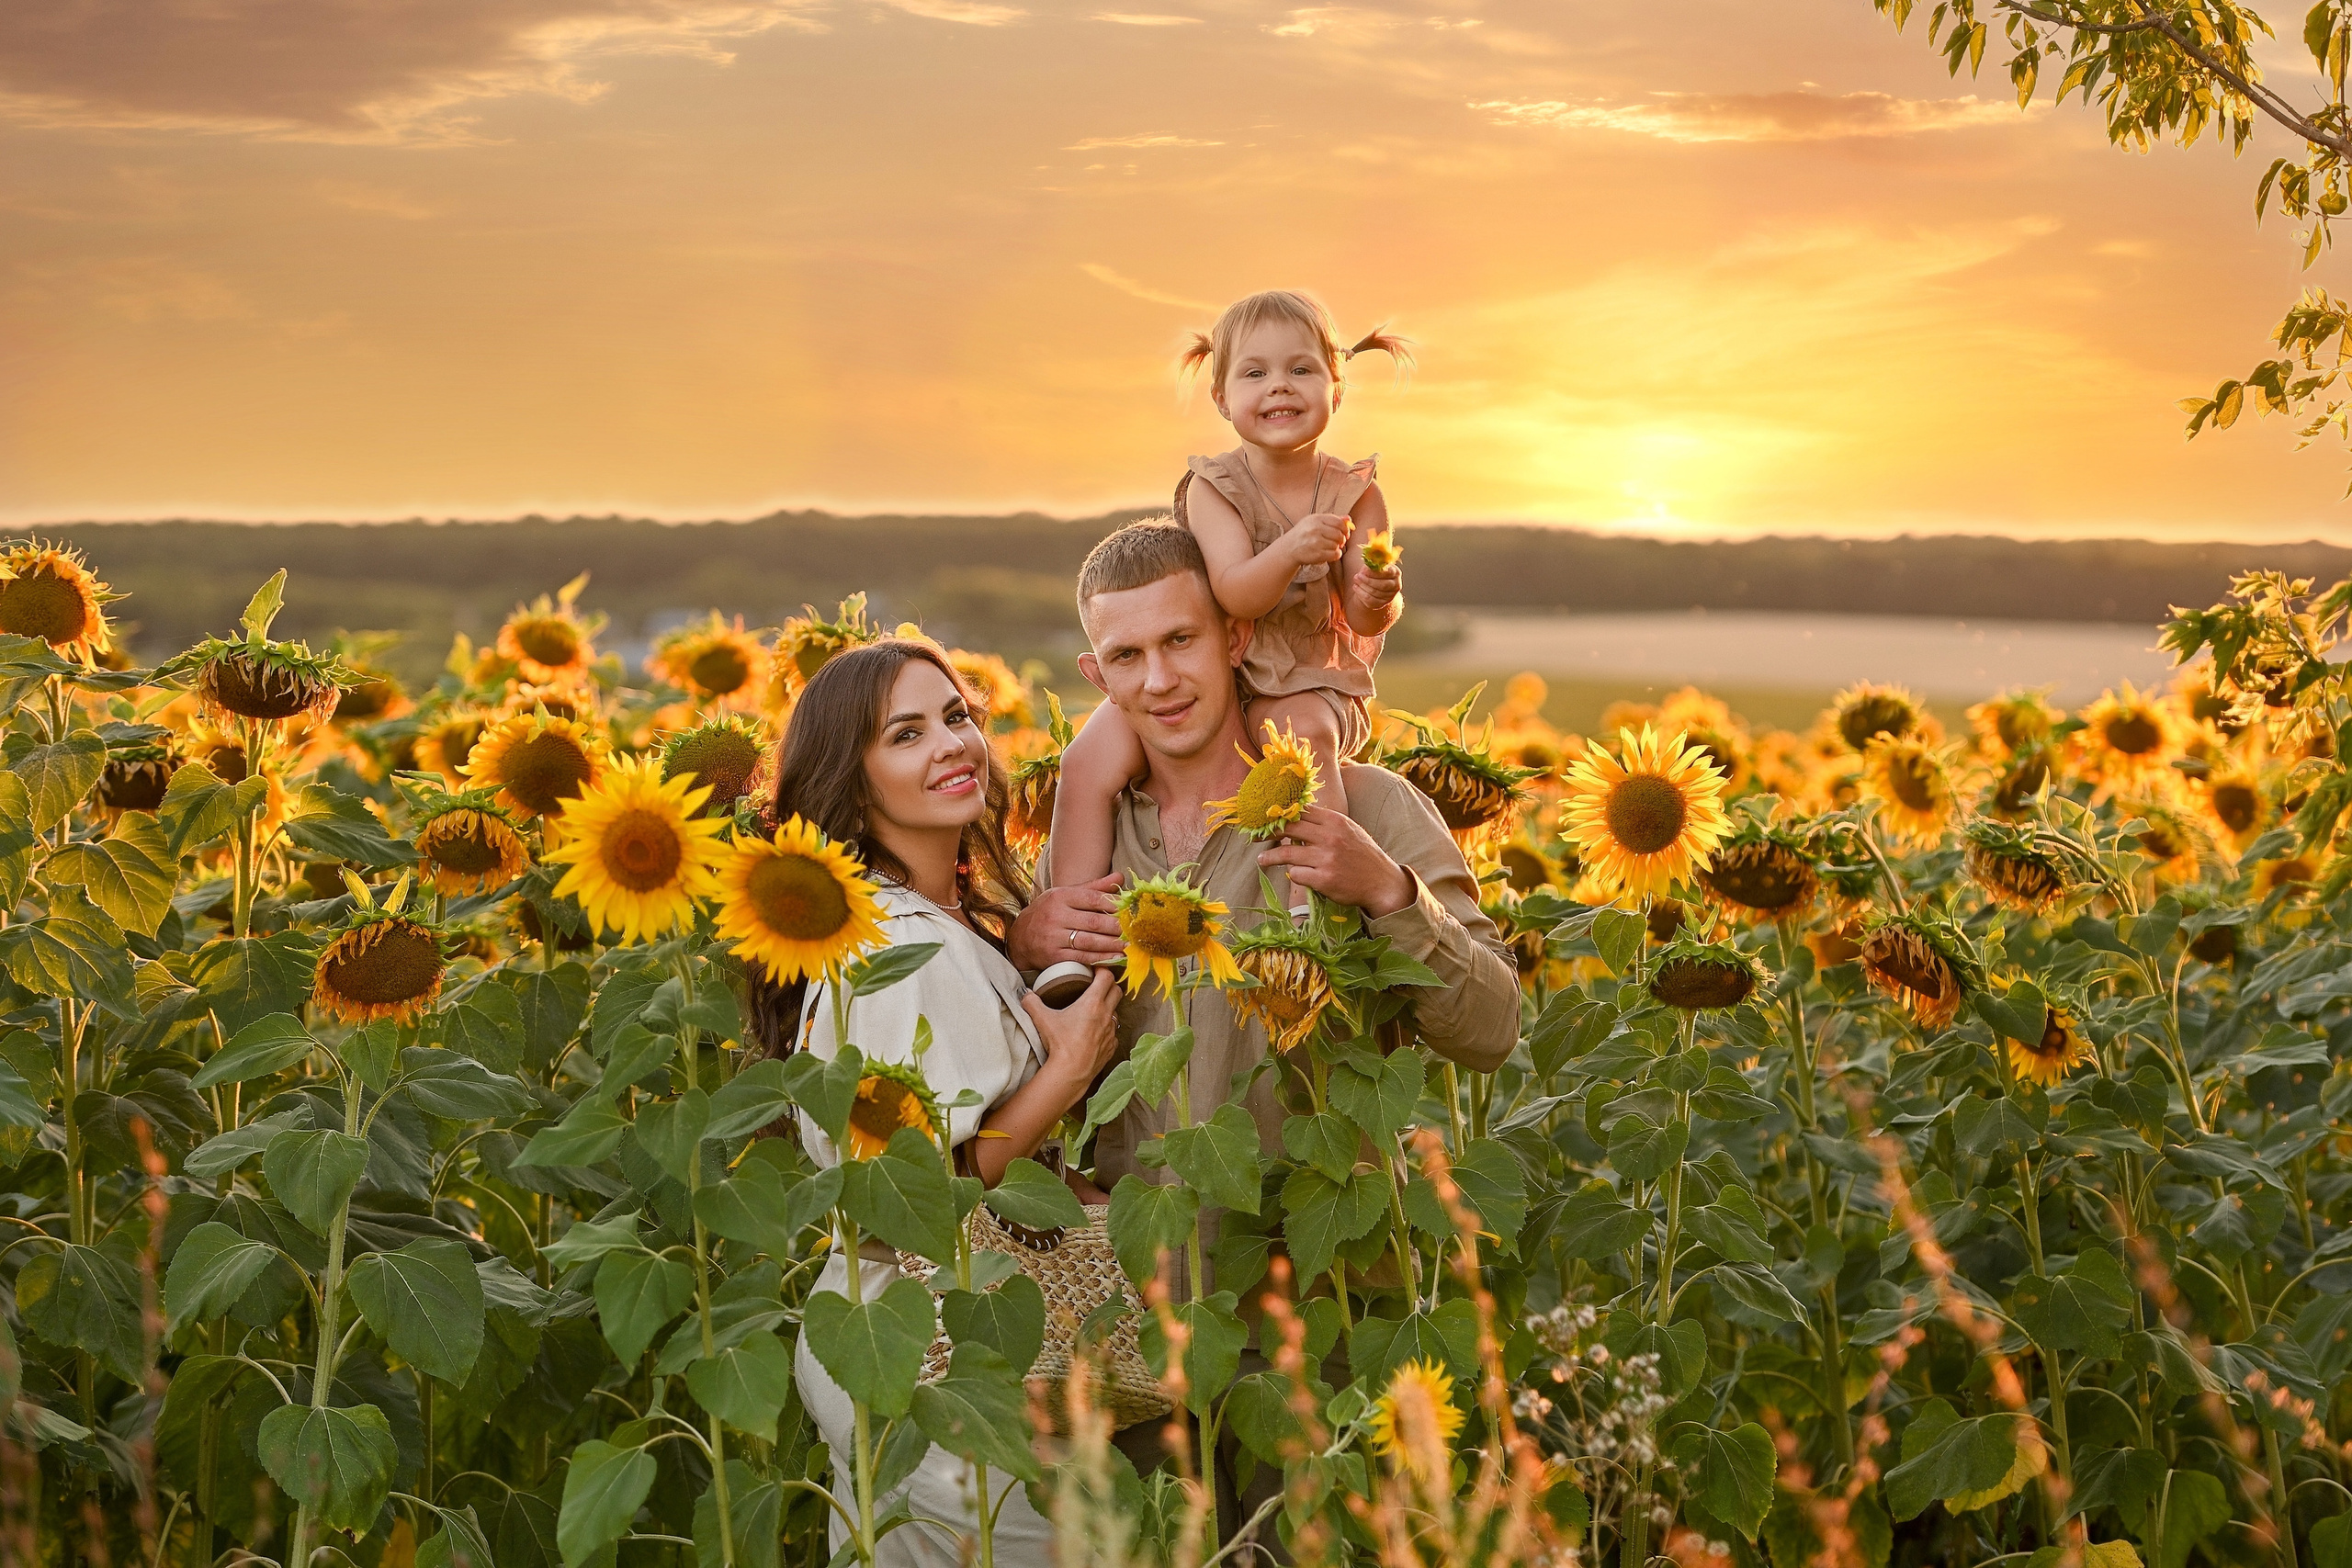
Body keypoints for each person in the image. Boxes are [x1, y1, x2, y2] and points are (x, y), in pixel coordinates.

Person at [1014, 517, 1520, 1280]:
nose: (1159, 680)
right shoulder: (1087, 849)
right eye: (1128, 655)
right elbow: (1027, 1081)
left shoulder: (1367, 808)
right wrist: (1023, 946)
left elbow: (1492, 1030)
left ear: (1235, 638)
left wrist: (1388, 891)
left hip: (1328, 1303)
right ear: (1098, 676)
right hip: (1146, 1314)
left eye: (1180, 640)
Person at [745, 638, 1122, 1568]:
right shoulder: (893, 944)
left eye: (955, 717)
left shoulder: (920, 922)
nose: (950, 744)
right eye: (905, 734)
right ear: (851, 782)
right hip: (930, 1339)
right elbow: (910, 1196)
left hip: (905, 1330)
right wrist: (1065, 1074)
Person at [1042, 289, 1410, 916]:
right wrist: (1292, 549)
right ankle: (1072, 920)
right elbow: (1235, 591)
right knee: (1086, 759)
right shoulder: (1214, 487)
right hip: (1208, 666)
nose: (1279, 386)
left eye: (1301, 369)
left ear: (1337, 388)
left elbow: (1363, 618)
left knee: (1296, 736)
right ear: (1221, 398)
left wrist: (1378, 594)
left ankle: (1307, 908)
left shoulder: (1357, 494)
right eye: (1255, 373)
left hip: (1303, 676)